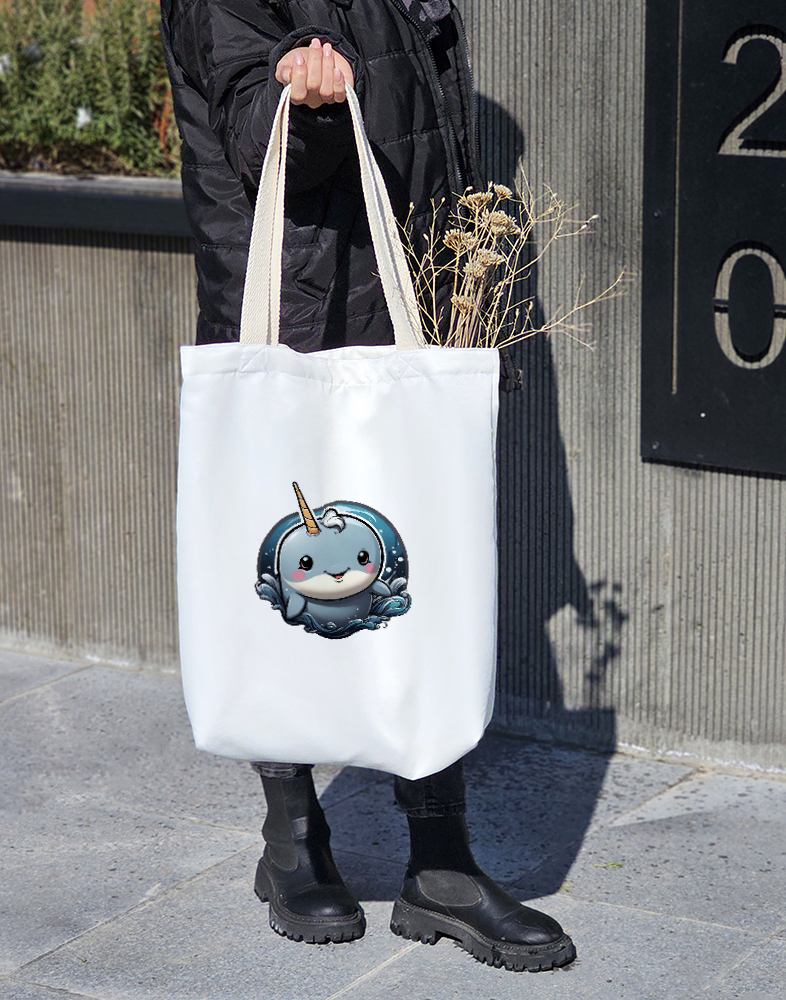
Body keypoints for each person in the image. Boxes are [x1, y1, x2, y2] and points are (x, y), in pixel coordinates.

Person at [159, 0, 574, 973]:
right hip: (298, 301)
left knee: (417, 570)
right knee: (293, 576)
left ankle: (442, 861)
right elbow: (254, 135)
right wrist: (300, 106)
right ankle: (293, 837)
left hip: (400, 298)